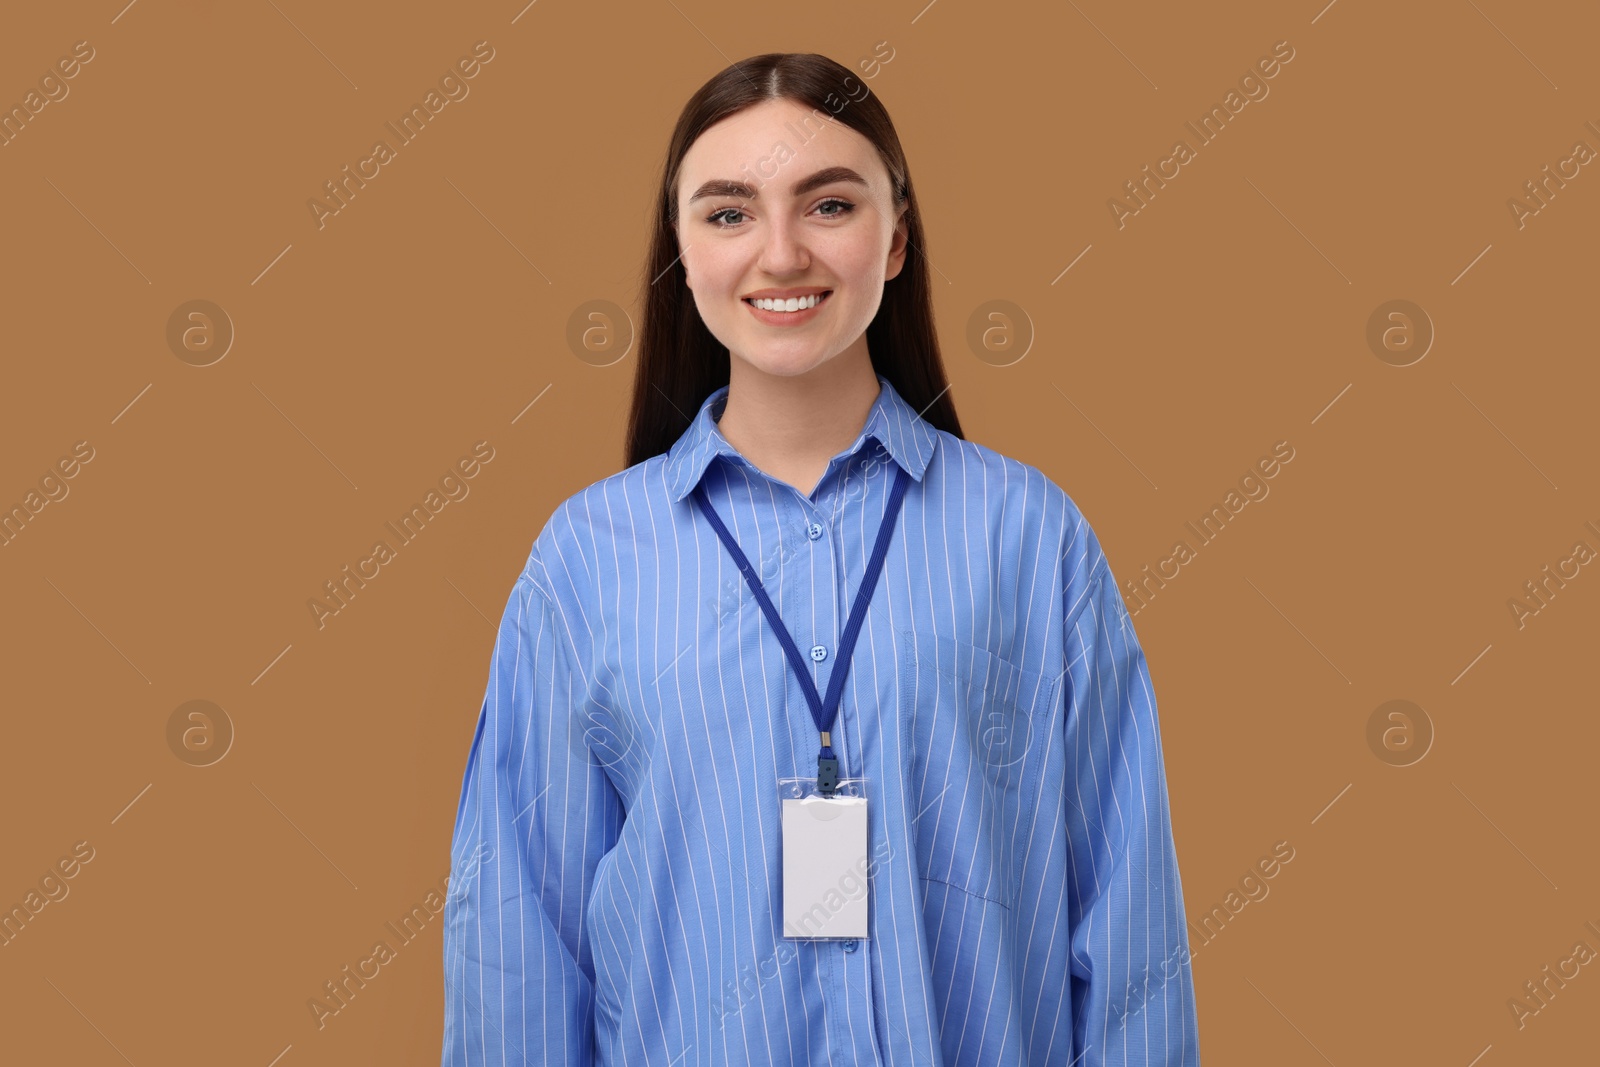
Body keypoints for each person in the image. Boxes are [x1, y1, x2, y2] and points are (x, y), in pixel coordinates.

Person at [441, 52, 1200, 1066]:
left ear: (895, 237)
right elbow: (517, 942)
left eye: (828, 205)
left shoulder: (1030, 534)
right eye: (727, 213)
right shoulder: (584, 561)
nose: (781, 252)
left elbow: (1127, 913)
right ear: (680, 247)